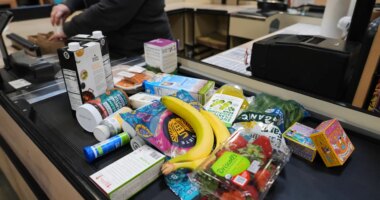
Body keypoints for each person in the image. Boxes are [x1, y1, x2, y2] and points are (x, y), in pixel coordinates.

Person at [50, 0, 173, 58]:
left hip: (147, 52)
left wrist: (67, 30)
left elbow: (110, 11)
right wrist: (68, 5)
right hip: (118, 47)